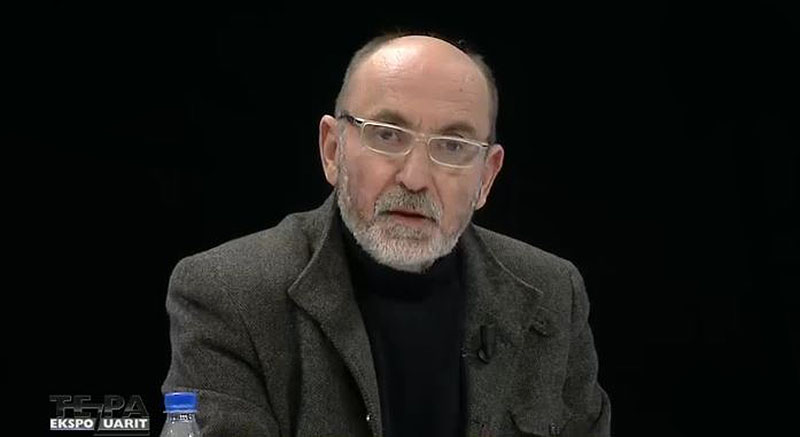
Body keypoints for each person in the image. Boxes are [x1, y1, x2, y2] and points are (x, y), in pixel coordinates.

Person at [162, 32, 611, 437]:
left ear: (487, 177)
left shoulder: (554, 292)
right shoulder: (229, 293)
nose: (414, 179)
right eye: (388, 136)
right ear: (332, 150)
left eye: (452, 146)